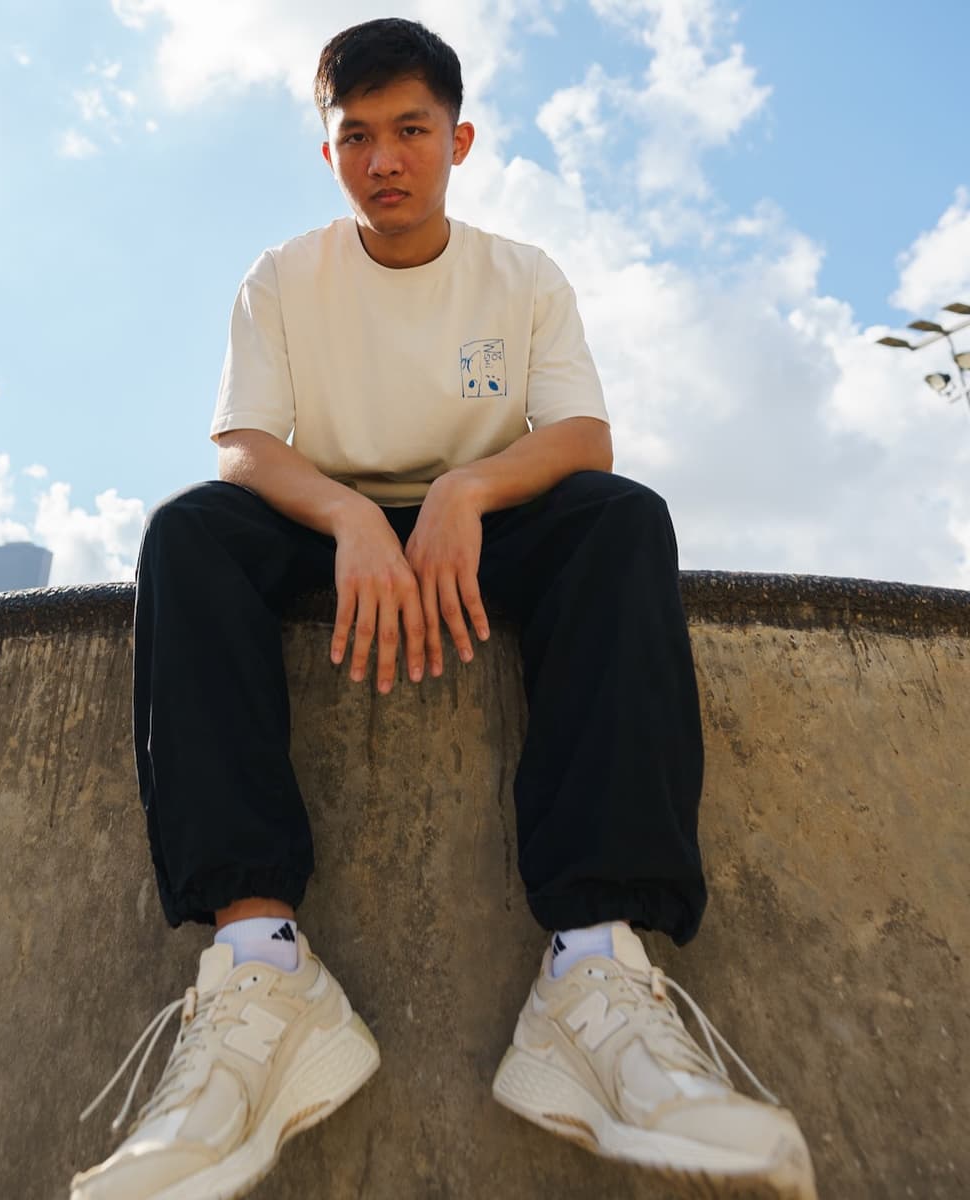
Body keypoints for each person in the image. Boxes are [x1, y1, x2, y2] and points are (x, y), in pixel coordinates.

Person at [71, 17, 815, 1200]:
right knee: (187, 539)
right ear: (328, 155)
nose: (385, 159)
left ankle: (595, 973)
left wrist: (466, 488)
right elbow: (247, 450)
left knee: (621, 521)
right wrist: (359, 521)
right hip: (331, 529)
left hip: (484, 534)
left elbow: (580, 436)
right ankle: (260, 967)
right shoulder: (282, 277)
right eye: (356, 136)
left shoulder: (523, 276)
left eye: (411, 130)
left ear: (458, 139)